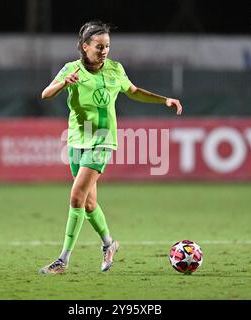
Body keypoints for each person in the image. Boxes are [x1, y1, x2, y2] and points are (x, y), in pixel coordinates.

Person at [40, 21, 182, 274]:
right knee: (89, 204)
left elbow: (134, 91)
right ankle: (109, 244)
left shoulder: (116, 69)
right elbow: (46, 94)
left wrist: (164, 100)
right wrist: (64, 83)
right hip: (76, 139)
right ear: (85, 47)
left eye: (107, 46)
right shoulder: (70, 69)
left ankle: (63, 260)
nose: (104, 50)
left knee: (75, 197)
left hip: (102, 140)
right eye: (99, 46)